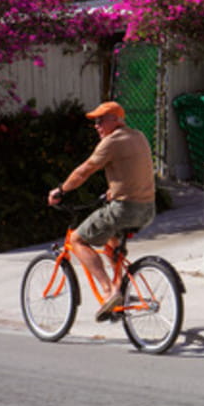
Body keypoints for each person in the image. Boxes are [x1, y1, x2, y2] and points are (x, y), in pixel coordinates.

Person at [48, 100, 155, 321]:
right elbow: (134, 169)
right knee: (111, 243)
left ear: (116, 120)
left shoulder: (111, 142)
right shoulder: (138, 136)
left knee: (77, 240)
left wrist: (61, 190)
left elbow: (85, 170)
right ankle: (121, 290)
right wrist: (114, 189)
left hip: (124, 209)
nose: (96, 126)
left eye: (100, 121)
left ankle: (109, 291)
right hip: (147, 210)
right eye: (94, 122)